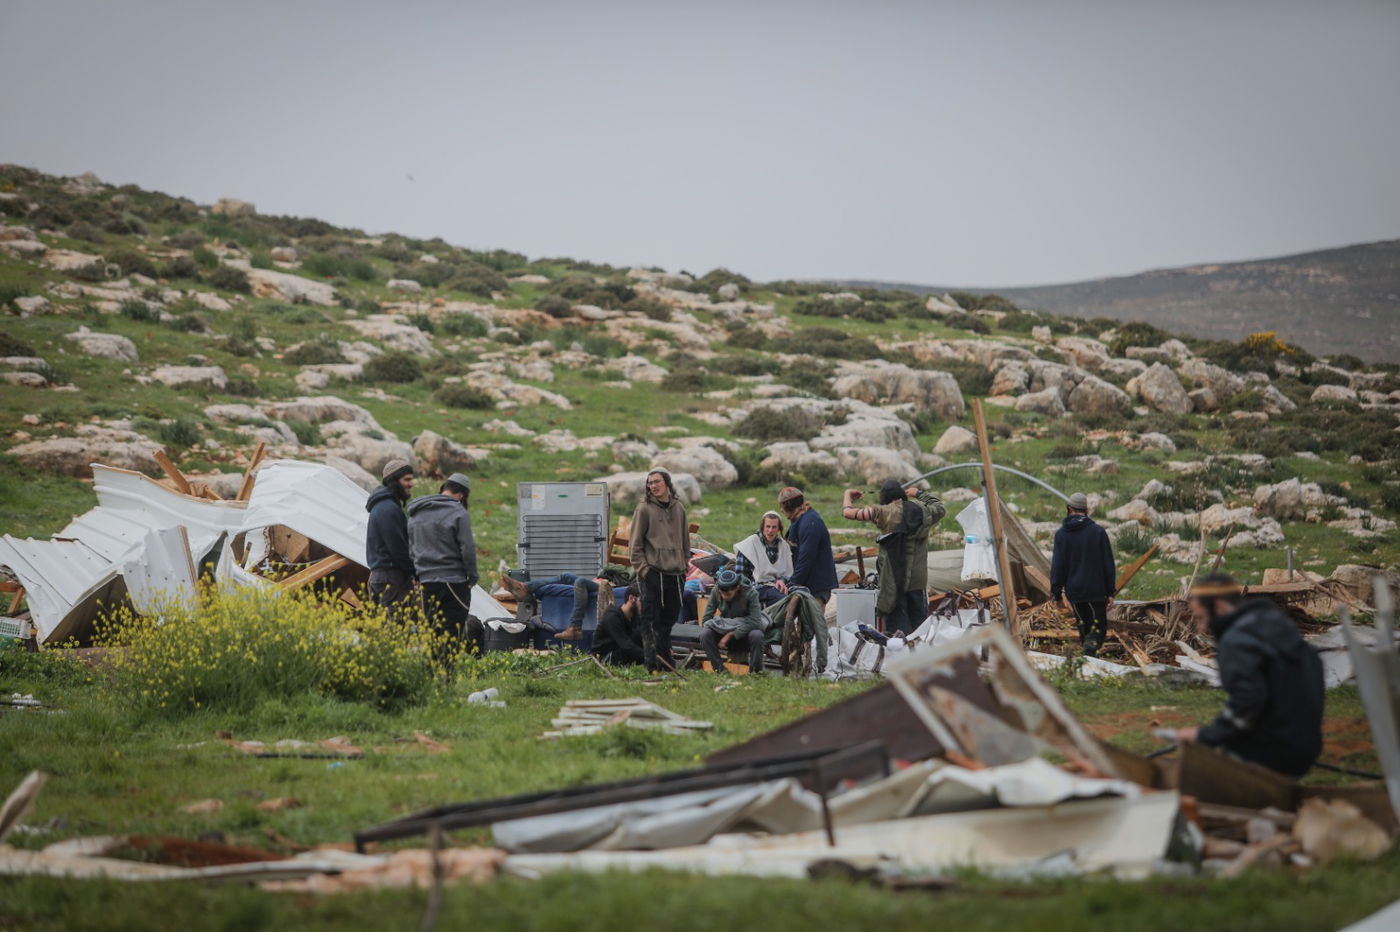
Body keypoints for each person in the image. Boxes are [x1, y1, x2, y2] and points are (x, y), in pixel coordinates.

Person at [1174, 574, 1324, 778]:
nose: (1201, 628)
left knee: (1192, 775)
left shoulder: (1236, 640)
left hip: (1270, 751)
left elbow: (1248, 700)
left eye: (1201, 617)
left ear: (1219, 606)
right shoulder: (1276, 626)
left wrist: (1205, 736)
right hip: (1305, 747)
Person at [842, 480, 946, 635]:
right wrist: (918, 493)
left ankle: (900, 656)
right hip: (918, 581)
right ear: (902, 494)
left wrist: (848, 495)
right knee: (920, 629)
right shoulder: (924, 511)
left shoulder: (883, 512)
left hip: (893, 581)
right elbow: (940, 507)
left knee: (897, 631)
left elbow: (848, 513)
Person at [407, 472, 479, 659]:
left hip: (427, 581)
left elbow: (412, 547)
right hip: (454, 581)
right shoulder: (458, 512)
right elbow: (467, 548)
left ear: (442, 489)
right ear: (462, 495)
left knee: (433, 630)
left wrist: (417, 574)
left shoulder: (417, 512)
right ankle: (446, 675)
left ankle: (432, 672)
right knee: (452, 631)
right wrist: (472, 576)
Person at [630, 468, 690, 672]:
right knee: (650, 621)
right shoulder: (644, 509)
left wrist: (685, 565)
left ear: (667, 483)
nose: (653, 486)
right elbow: (635, 546)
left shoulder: (679, 508)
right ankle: (652, 665)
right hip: (653, 573)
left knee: (668, 621)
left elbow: (685, 541)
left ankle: (665, 662)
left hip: (676, 574)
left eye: (657, 481)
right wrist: (645, 571)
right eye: (649, 483)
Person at [1049, 491, 1117, 657]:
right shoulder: (1098, 532)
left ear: (1069, 508)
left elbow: (1058, 566)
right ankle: (1089, 656)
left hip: (1075, 592)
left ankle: (1087, 661)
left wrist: (1056, 594)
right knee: (1097, 628)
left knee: (1084, 628)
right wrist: (1110, 592)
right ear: (1086, 510)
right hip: (1096, 590)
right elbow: (1108, 564)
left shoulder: (1061, 535)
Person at [365, 459, 415, 618]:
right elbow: (398, 548)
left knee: (382, 627)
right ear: (394, 481)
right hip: (389, 577)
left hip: (382, 576)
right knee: (392, 628)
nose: (411, 484)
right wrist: (415, 572)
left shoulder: (384, 506)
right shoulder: (388, 508)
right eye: (406, 479)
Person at [699, 568, 766, 674]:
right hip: (725, 628)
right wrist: (720, 628)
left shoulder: (751, 593)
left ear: (737, 587)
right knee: (705, 634)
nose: (725, 597)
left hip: (745, 632)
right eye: (722, 594)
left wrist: (731, 634)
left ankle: (756, 672)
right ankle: (719, 670)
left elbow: (756, 621)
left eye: (728, 594)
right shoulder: (716, 591)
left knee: (757, 635)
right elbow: (706, 619)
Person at [778, 487, 838, 605]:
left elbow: (806, 558)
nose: (781, 510)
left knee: (811, 623)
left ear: (788, 507)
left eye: (782, 506)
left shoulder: (810, 524)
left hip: (816, 588)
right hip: (806, 586)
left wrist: (792, 584)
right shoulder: (800, 520)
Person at [498, 572, 601, 641]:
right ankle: (524, 587)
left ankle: (574, 627)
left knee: (580, 581)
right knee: (565, 576)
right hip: (598, 582)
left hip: (606, 585)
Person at [732, 511, 793, 606]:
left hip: (779, 587)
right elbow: (741, 576)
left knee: (802, 595)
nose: (770, 530)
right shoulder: (749, 544)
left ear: (778, 529)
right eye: (768, 526)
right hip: (757, 588)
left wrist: (782, 580)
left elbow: (788, 573)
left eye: (774, 527)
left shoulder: (784, 546)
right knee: (783, 600)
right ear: (762, 527)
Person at [592, 583, 645, 666]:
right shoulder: (612, 617)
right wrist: (650, 656)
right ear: (631, 598)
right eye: (643, 601)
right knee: (631, 649)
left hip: (619, 649)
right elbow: (626, 645)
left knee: (642, 634)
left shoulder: (634, 616)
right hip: (605, 657)